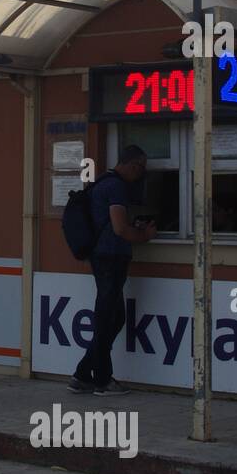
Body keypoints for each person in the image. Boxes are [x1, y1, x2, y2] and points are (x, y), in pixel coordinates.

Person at [70, 144, 156, 396]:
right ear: (133, 165)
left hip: (102, 256)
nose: (141, 175)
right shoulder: (116, 187)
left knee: (114, 317)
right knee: (108, 317)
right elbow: (120, 229)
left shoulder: (103, 183)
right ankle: (102, 381)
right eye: (141, 169)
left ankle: (83, 374)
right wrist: (145, 235)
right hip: (111, 257)